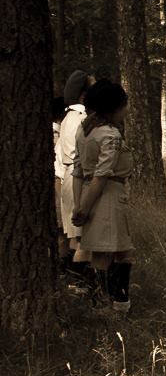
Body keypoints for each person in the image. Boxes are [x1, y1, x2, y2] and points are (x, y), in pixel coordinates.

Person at [69, 80, 135, 313]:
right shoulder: (110, 135)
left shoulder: (84, 130)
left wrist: (79, 205)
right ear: (114, 107)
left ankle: (106, 302)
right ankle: (114, 303)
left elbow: (78, 171)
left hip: (89, 194)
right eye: (124, 105)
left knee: (106, 251)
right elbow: (102, 175)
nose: (126, 110)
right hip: (107, 196)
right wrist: (84, 209)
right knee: (116, 253)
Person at [55, 70, 91, 287]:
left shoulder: (67, 118)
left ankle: (71, 281)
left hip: (69, 175)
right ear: (83, 94)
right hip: (80, 176)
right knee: (82, 238)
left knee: (74, 236)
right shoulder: (82, 119)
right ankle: (78, 286)